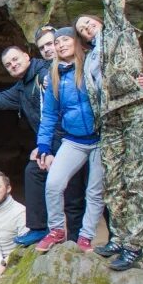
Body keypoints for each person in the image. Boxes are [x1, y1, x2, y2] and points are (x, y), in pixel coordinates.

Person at [76, 0, 143, 271]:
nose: (86, 28)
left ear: (100, 21)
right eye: (81, 30)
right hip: (111, 118)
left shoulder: (119, 31)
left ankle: (134, 246)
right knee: (114, 181)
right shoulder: (91, 60)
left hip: (134, 109)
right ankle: (119, 238)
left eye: (88, 23)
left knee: (136, 179)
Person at [0, 46, 85, 245]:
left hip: (70, 141)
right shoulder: (23, 86)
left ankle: (76, 241)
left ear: (26, 56)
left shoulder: (44, 73)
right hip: (49, 144)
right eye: (8, 64)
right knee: (34, 172)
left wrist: (47, 147)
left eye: (15, 59)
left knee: (74, 194)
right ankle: (39, 228)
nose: (13, 65)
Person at [35, 27, 106, 254]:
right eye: (57, 42)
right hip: (74, 140)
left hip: (101, 138)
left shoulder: (91, 65)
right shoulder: (54, 76)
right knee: (54, 184)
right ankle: (56, 230)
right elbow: (49, 115)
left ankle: (86, 237)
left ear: (76, 42)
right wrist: (43, 146)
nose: (61, 45)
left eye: (65, 40)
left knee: (95, 192)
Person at [0, 172, 27, 259]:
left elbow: (24, 247)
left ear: (8, 188)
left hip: (9, 262)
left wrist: (4, 263)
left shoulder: (20, 212)